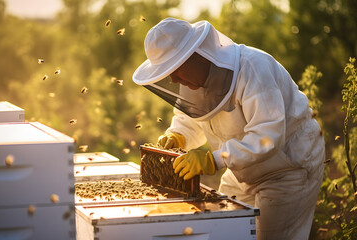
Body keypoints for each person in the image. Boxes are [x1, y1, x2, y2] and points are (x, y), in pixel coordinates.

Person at [132, 17, 325, 239]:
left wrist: (213, 159)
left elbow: (267, 137)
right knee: (224, 229)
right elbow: (192, 118)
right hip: (242, 170)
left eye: (175, 68)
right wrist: (178, 135)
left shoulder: (254, 68)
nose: (174, 78)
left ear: (197, 54)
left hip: (288, 167)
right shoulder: (191, 78)